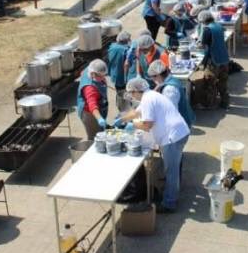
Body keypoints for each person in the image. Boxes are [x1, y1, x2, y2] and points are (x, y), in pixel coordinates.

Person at [119, 77, 189, 213]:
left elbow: (147, 125)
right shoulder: (150, 95)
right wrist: (121, 119)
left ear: (136, 91)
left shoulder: (147, 100)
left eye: (131, 93)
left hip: (173, 137)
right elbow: (136, 112)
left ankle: (169, 203)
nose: (132, 97)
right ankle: (171, 194)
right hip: (178, 132)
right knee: (172, 168)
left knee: (171, 171)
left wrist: (131, 125)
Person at [147, 61, 194, 128]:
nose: (154, 81)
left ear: (158, 75)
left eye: (153, 78)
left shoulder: (169, 90)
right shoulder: (171, 79)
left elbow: (171, 113)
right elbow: (160, 85)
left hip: (180, 126)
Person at [198, 10, 230, 108]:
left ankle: (209, 104)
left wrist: (198, 44)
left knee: (209, 83)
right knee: (223, 82)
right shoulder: (219, 26)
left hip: (214, 60)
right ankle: (225, 103)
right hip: (224, 58)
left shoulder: (207, 30)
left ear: (203, 21)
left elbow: (202, 46)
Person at [76, 59, 109, 140]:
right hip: (88, 113)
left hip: (97, 106)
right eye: (100, 76)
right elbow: (92, 106)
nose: (103, 78)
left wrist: (101, 80)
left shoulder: (90, 68)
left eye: (104, 75)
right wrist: (99, 118)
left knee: (99, 132)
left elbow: (82, 72)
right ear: (93, 74)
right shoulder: (90, 88)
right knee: (95, 137)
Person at [107, 31, 131, 112]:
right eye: (129, 39)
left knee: (118, 92)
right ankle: (124, 109)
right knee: (124, 93)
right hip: (122, 76)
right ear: (125, 40)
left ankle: (120, 106)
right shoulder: (125, 50)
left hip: (114, 74)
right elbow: (127, 64)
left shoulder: (112, 47)